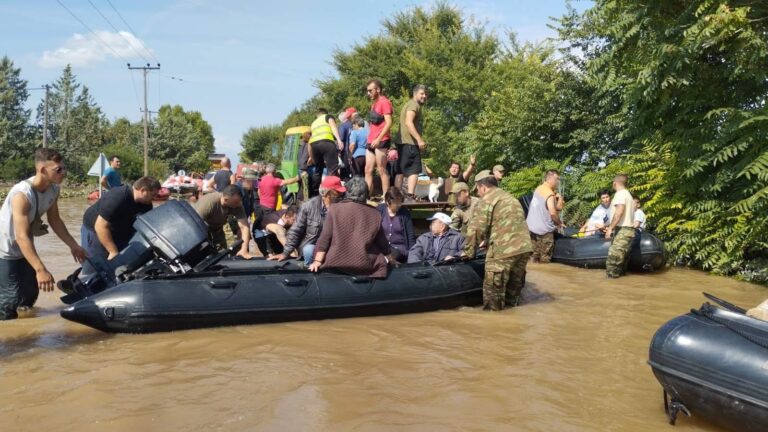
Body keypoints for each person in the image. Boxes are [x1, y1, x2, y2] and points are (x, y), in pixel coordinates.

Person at [0, 148, 86, 320]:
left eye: (64, 168)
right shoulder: (21, 195)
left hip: (24, 248)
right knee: (10, 300)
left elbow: (55, 221)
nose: (64, 173)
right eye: (58, 169)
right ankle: (9, 341)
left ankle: (26, 335)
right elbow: (21, 236)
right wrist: (40, 269)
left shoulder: (53, 189)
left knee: (30, 294)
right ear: (42, 170)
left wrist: (74, 246)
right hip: (5, 249)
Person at [462, 170, 533, 310]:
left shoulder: (487, 199)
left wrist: (468, 253)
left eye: (477, 190)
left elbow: (475, 229)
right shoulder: (510, 198)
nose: (478, 194)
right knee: (513, 300)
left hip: (503, 252)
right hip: (524, 249)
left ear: (483, 187)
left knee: (493, 301)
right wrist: (488, 240)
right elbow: (507, 223)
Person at [308, 177, 396, 277]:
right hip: (365, 265)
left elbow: (325, 238)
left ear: (347, 192)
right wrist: (392, 260)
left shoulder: (334, 209)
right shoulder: (375, 214)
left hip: (336, 263)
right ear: (366, 194)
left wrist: (317, 261)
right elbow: (383, 244)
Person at [80, 176, 160, 277]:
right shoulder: (119, 195)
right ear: (143, 190)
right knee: (94, 269)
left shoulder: (147, 205)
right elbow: (100, 226)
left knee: (118, 269)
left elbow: (144, 229)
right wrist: (112, 251)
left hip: (119, 232)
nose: (155, 198)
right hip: (96, 230)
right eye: (153, 195)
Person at [268, 176, 345, 265]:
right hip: (314, 247)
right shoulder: (309, 206)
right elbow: (296, 230)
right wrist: (286, 253)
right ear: (328, 192)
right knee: (308, 250)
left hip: (333, 248)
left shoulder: (342, 207)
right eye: (337, 191)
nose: (340, 193)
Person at [194, 185, 253, 259]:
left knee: (221, 256)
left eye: (240, 201)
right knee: (201, 257)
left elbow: (244, 227)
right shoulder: (209, 203)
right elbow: (194, 225)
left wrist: (244, 249)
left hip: (217, 229)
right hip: (200, 230)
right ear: (226, 200)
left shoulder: (237, 204)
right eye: (236, 202)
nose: (240, 204)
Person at [526, 169, 565, 263]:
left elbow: (558, 207)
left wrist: (559, 198)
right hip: (544, 232)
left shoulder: (539, 189)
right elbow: (553, 213)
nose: (558, 182)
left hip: (531, 229)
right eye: (557, 179)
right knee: (545, 259)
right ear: (550, 179)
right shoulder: (549, 194)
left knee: (533, 256)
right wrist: (559, 223)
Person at [364, 79, 394, 198]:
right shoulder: (373, 104)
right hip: (371, 141)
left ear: (378, 89)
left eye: (370, 90)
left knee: (381, 169)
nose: (368, 93)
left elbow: (389, 122)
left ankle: (386, 197)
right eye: (367, 91)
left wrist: (378, 138)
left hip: (381, 140)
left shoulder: (385, 102)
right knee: (368, 169)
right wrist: (370, 138)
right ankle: (365, 197)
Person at [398, 84, 428, 200]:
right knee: (414, 169)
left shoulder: (410, 104)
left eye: (425, 94)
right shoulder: (413, 105)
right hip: (410, 142)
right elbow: (408, 123)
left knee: (401, 170)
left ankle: (397, 195)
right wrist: (419, 140)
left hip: (403, 142)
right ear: (415, 94)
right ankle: (410, 195)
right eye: (422, 93)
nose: (424, 96)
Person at [605, 174, 636, 278]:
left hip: (623, 231)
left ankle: (610, 288)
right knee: (621, 264)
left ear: (615, 183)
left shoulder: (620, 194)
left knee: (613, 262)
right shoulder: (628, 195)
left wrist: (610, 228)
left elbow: (619, 212)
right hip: (629, 231)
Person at [309, 107, 345, 193]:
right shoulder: (327, 117)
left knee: (318, 170)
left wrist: (311, 156)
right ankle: (334, 191)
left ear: (318, 115)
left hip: (314, 145)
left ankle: (315, 193)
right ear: (325, 113)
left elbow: (310, 140)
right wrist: (339, 140)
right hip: (326, 143)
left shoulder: (313, 123)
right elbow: (333, 127)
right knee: (332, 168)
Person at [376, 188, 416, 263]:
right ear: (388, 202)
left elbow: (411, 237)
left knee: (391, 255)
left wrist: (412, 256)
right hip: (383, 248)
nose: (399, 205)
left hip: (399, 250)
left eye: (400, 202)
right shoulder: (379, 210)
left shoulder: (405, 213)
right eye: (396, 203)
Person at [338, 107, 356, 179]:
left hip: (346, 152)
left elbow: (341, 139)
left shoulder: (343, 126)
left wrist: (338, 151)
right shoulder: (357, 125)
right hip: (357, 151)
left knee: (345, 173)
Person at [298, 130, 315, 200]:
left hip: (299, 169)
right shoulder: (309, 145)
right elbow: (310, 159)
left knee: (302, 187)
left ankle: (300, 199)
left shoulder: (301, 146)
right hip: (306, 169)